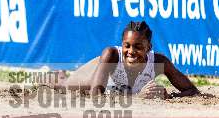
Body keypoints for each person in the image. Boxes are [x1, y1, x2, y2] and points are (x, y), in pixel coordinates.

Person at [54, 21, 199, 99]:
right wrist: (138, 97)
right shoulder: (111, 54)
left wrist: (168, 96)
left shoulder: (159, 62)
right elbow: (96, 95)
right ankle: (58, 75)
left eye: (138, 47)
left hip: (113, 87)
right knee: (63, 87)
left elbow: (192, 90)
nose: (131, 52)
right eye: (127, 46)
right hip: (95, 71)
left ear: (148, 48)